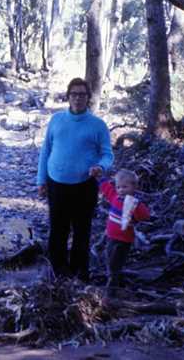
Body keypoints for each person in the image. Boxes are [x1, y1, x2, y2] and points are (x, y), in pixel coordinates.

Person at [37, 77, 113, 280]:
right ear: (68, 96)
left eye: (82, 94)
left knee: (82, 231)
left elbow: (107, 154)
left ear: (88, 98)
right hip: (56, 183)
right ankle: (56, 273)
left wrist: (101, 166)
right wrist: (41, 180)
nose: (78, 98)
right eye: (74, 94)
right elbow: (46, 150)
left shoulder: (97, 125)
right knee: (58, 231)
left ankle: (80, 274)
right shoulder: (56, 120)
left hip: (84, 186)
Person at [99, 169, 151, 292]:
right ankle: (118, 281)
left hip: (124, 239)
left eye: (125, 187)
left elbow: (145, 216)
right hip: (111, 236)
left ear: (134, 187)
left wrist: (136, 208)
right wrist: (100, 178)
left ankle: (111, 289)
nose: (121, 190)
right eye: (118, 187)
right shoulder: (115, 197)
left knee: (114, 263)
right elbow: (106, 188)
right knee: (109, 257)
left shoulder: (135, 204)